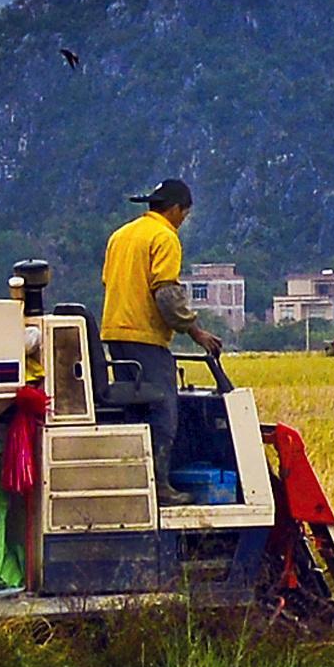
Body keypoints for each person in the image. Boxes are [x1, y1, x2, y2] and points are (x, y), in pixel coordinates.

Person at [101, 178, 224, 502]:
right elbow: (166, 294)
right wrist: (196, 331)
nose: (184, 219)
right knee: (163, 411)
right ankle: (159, 488)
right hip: (145, 337)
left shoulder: (120, 236)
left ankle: (134, 485)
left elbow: (109, 282)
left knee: (133, 412)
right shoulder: (164, 237)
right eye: (184, 213)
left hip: (114, 335)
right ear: (174, 209)